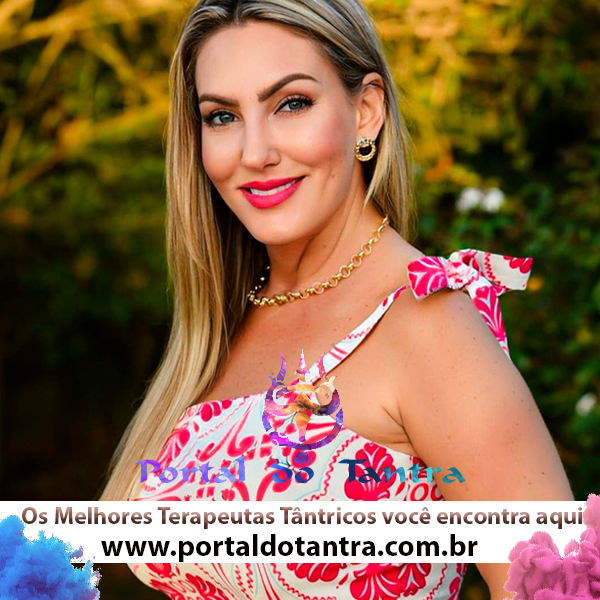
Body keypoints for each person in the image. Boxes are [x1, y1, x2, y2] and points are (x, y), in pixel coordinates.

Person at [99, 0, 574, 598]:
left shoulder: (429, 325)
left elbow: (565, 589)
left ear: (365, 111)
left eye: (291, 104)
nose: (254, 153)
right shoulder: (224, 323)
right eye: (222, 116)